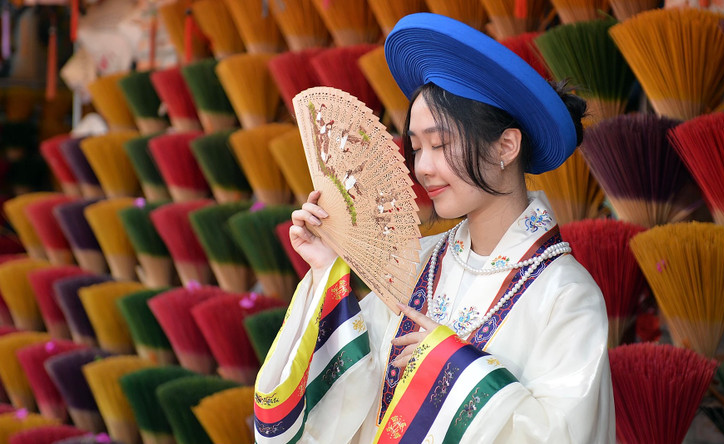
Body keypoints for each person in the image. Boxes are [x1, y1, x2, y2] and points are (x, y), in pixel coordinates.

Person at [254, 13, 615, 444]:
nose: (423, 167)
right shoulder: (420, 260)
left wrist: (450, 364)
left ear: (506, 145)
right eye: (417, 147)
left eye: (441, 144)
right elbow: (352, 398)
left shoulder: (567, 295)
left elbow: (565, 434)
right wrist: (326, 272)